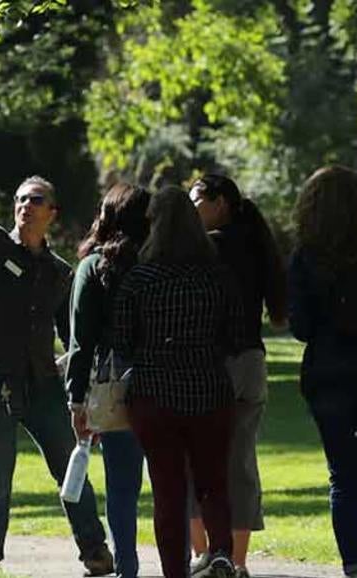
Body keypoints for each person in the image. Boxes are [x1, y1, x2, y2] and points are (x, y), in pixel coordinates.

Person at [0, 117, 115, 574]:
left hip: (42, 384)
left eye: (35, 200)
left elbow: (73, 335)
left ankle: (95, 551)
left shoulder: (60, 272)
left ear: (51, 213)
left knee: (70, 467)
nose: (25, 206)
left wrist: (79, 392)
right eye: (21, 200)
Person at [90, 186, 242, 578]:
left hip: (155, 395)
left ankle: (174, 569)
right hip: (209, 389)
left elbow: (122, 341)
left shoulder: (140, 279)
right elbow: (235, 334)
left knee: (168, 491)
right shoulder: (219, 276)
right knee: (213, 481)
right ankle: (222, 552)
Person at [284, 167, 357, 578]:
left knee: (342, 473)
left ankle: (352, 563)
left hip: (329, 373)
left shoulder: (307, 255)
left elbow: (300, 325)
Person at [185, 174, 287, 574]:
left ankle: (204, 553)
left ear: (220, 202)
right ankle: (238, 561)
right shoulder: (258, 245)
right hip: (252, 364)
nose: (193, 212)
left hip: (216, 365)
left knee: (195, 460)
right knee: (240, 464)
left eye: (197, 203)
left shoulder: (208, 249)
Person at [67, 182, 154, 578]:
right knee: (173, 482)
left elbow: (80, 341)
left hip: (114, 384)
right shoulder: (160, 264)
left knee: (121, 487)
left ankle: (128, 568)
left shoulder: (94, 267)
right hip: (167, 376)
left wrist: (76, 399)